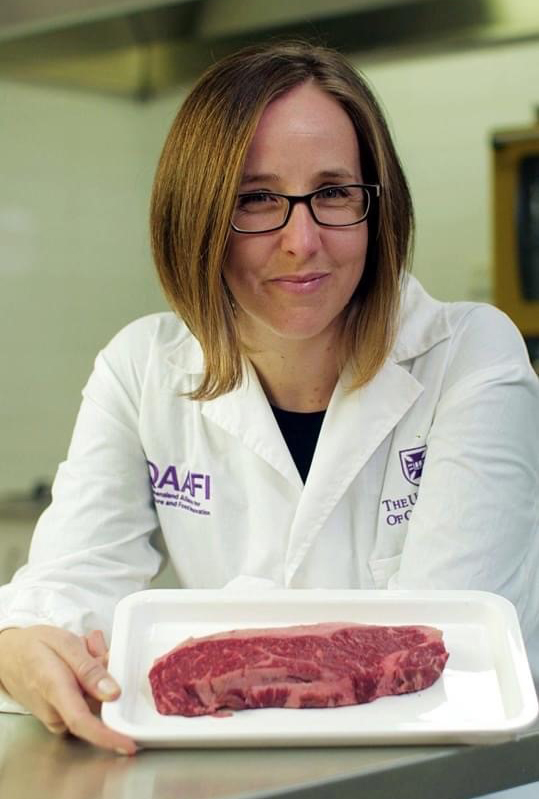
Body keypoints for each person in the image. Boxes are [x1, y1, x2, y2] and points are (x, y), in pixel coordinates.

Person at [0, 39, 537, 755]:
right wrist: (21, 644)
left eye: (334, 192)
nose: (301, 240)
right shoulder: (141, 368)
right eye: (255, 199)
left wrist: (178, 651)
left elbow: (440, 648)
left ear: (377, 208)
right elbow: (65, 586)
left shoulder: (470, 356)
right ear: (196, 215)